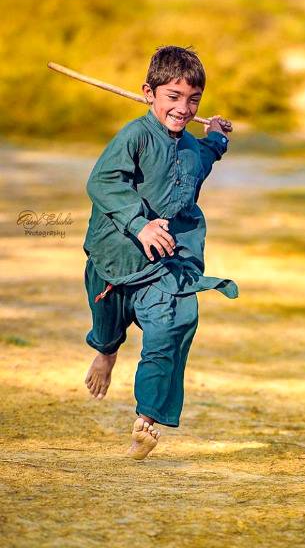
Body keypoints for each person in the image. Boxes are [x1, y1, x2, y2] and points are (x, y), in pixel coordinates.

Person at [83, 46, 238, 460]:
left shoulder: (190, 147)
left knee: (173, 324)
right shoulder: (134, 136)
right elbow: (102, 182)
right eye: (173, 96)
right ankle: (106, 351)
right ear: (148, 93)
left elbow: (206, 155)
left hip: (168, 262)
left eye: (193, 100)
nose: (183, 108)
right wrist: (140, 224)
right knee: (108, 322)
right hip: (116, 257)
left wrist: (218, 136)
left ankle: (146, 421)